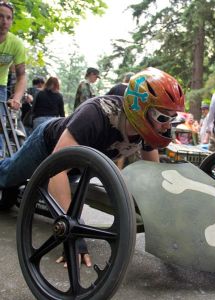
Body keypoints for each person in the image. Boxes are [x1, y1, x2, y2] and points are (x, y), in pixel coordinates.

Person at [0, 67, 185, 265]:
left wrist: (172, 221)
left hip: (81, 164)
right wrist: (71, 233)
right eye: (163, 118)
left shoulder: (147, 131)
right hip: (47, 144)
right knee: (8, 175)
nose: (167, 126)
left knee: (54, 192)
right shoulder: (96, 113)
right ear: (140, 109)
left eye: (172, 118)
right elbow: (57, 168)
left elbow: (153, 177)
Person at [0, 1, 26, 157]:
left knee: (1, 124)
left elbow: (22, 75)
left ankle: (1, 159)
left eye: (8, 18)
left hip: (0, 86)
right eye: (1, 16)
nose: (4, 21)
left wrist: (16, 98)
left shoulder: (16, 44)